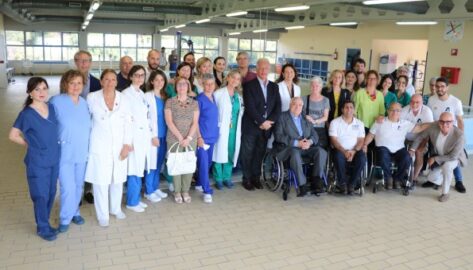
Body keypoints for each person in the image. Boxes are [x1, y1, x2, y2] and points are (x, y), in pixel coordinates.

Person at [9, 77, 60, 241]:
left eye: (44, 88)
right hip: (37, 161)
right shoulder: (27, 114)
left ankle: (44, 221)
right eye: (37, 89)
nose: (41, 92)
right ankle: (42, 228)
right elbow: (13, 135)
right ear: (30, 92)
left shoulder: (51, 107)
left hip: (54, 158)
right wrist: (29, 143)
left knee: (52, 192)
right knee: (41, 195)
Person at [85, 69, 132, 227]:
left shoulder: (123, 98)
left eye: (113, 79)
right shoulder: (92, 98)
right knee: (100, 182)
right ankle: (102, 215)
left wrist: (127, 144)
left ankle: (115, 209)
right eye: (106, 79)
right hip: (99, 145)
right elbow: (86, 121)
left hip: (119, 145)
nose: (110, 82)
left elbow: (128, 122)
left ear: (116, 82)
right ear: (101, 81)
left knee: (117, 180)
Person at [50, 70, 91, 233]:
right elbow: (48, 126)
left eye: (79, 83)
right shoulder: (56, 101)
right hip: (64, 151)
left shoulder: (83, 103)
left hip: (81, 151)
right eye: (72, 83)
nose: (75, 86)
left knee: (79, 186)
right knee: (67, 186)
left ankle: (75, 211)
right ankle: (65, 217)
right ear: (65, 84)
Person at [363, 103, 429, 189]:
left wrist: (434, 123)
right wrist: (364, 144)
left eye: (397, 110)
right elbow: (371, 135)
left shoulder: (405, 123)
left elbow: (419, 128)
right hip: (383, 149)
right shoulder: (380, 122)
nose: (395, 112)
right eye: (392, 110)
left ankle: (397, 179)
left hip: (399, 150)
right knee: (383, 154)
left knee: (407, 157)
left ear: (401, 112)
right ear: (388, 111)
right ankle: (388, 179)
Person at [273, 97, 328, 196]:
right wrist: (296, 143)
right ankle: (302, 185)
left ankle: (316, 181)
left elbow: (315, 135)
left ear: (302, 107)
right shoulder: (282, 117)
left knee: (321, 151)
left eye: (300, 105)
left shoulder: (305, 118)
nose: (297, 107)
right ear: (290, 105)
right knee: (295, 153)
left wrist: (310, 142)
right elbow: (278, 136)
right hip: (289, 148)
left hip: (306, 147)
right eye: (294, 104)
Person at [240, 58, 281, 191]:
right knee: (247, 154)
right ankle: (246, 179)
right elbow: (250, 107)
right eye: (261, 68)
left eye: (266, 68)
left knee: (259, 154)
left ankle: (256, 178)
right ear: (256, 70)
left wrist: (269, 123)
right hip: (251, 126)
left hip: (267, 128)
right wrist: (261, 122)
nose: (263, 71)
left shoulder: (274, 86)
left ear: (269, 70)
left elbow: (278, 107)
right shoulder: (249, 85)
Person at [410, 112, 467, 202]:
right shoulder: (433, 127)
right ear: (438, 121)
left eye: (448, 122)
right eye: (442, 121)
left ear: (453, 122)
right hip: (439, 155)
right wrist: (412, 149)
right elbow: (420, 137)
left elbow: (453, 156)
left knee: (447, 167)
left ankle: (445, 193)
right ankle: (439, 178)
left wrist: (435, 159)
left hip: (454, 158)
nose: (444, 124)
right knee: (430, 178)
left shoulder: (459, 135)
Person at [427, 77, 465, 193]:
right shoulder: (431, 100)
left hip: (451, 135)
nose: (439, 89)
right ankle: (433, 180)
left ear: (447, 88)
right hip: (436, 133)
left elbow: (460, 121)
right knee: (435, 155)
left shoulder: (455, 101)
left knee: (454, 157)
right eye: (437, 86)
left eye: (442, 86)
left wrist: (461, 138)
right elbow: (429, 118)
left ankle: (459, 181)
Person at [164, 77, 199, 203]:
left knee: (188, 165)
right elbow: (169, 122)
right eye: (179, 84)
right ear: (176, 87)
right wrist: (180, 138)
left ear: (188, 87)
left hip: (190, 140)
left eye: (185, 84)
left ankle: (185, 191)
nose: (182, 86)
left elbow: (195, 123)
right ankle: (177, 191)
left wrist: (188, 138)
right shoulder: (170, 102)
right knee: (176, 165)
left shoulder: (194, 103)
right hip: (174, 139)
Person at [122, 65, 152, 211]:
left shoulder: (141, 92)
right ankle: (131, 202)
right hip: (134, 138)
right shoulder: (126, 94)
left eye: (142, 75)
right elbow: (126, 120)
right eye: (137, 75)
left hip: (142, 137)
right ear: (131, 77)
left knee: (139, 168)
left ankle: (136, 199)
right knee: (133, 169)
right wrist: (129, 141)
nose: (140, 78)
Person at [74, 50, 100, 204]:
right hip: (75, 128)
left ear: (90, 63)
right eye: (81, 60)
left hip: (91, 126)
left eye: (87, 60)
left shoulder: (96, 82)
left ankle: (88, 190)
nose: (84, 63)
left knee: (90, 158)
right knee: (77, 159)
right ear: (75, 61)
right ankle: (77, 191)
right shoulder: (67, 81)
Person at [212, 70, 244, 190]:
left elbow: (239, 112)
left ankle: (227, 177)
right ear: (228, 78)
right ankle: (218, 178)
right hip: (221, 129)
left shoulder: (238, 96)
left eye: (238, 79)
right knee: (219, 152)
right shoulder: (219, 93)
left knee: (231, 153)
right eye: (233, 78)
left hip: (234, 129)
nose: (235, 80)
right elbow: (213, 112)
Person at [329, 101, 366, 195]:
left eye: (351, 107)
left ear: (354, 110)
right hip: (340, 150)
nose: (349, 109)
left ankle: (352, 185)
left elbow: (361, 140)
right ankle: (342, 184)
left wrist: (353, 151)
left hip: (355, 150)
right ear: (342, 110)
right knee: (337, 157)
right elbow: (334, 140)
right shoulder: (335, 122)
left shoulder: (359, 123)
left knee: (362, 158)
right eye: (346, 107)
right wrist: (344, 151)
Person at [143, 70, 170, 203]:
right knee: (151, 164)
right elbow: (145, 118)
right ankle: (149, 191)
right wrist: (152, 135)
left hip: (164, 134)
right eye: (157, 80)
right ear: (152, 81)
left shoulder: (165, 96)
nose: (160, 82)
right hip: (154, 136)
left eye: (162, 80)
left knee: (159, 163)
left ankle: (155, 187)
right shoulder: (147, 96)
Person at [195, 74, 219, 203]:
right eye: (207, 84)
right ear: (202, 84)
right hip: (202, 138)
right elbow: (195, 121)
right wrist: (199, 137)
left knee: (208, 163)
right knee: (204, 164)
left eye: (212, 84)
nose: (209, 86)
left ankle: (199, 183)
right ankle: (207, 191)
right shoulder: (199, 99)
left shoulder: (214, 97)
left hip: (212, 136)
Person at [401, 94, 434, 182]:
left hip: (422, 138)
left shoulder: (427, 111)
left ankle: (414, 178)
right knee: (401, 152)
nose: (414, 104)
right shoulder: (404, 110)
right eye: (412, 102)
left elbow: (428, 130)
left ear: (422, 103)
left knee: (419, 152)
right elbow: (399, 128)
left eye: (417, 102)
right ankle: (403, 173)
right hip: (405, 138)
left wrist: (417, 147)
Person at [303, 76, 330, 150]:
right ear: (310, 87)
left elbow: (325, 117)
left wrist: (315, 121)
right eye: (312, 85)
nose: (314, 87)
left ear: (321, 87)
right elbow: (300, 114)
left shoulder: (325, 100)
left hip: (320, 129)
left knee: (319, 148)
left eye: (317, 86)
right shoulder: (304, 98)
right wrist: (305, 116)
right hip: (307, 129)